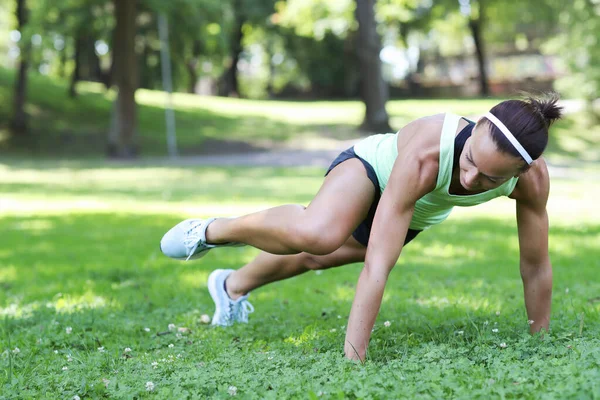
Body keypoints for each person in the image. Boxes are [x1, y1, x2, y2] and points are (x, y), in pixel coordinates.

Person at [160, 94, 563, 361]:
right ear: (474, 127)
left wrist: (540, 343)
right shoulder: (428, 152)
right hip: (372, 171)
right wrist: (355, 361)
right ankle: (215, 230)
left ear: (522, 170)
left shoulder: (531, 181)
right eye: (471, 160)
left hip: (414, 212)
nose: (472, 179)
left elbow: (535, 265)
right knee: (318, 235)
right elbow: (378, 267)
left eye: (489, 179)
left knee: (314, 259)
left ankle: (230, 287)